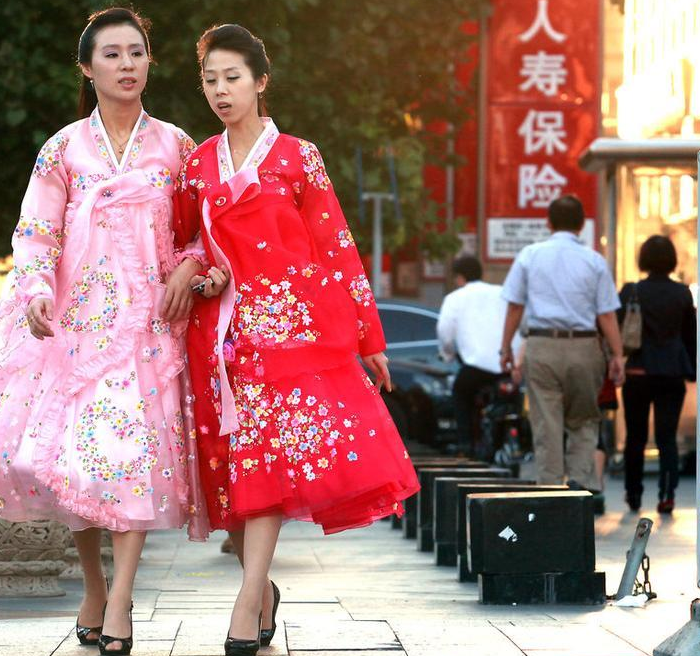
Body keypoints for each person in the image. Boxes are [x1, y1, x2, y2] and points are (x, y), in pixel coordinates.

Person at [0, 8, 211, 655]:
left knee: (132, 462)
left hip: (150, 328)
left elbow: (199, 226)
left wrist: (189, 265)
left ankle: (123, 600)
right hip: (77, 329)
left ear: (150, 62)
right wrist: (39, 290)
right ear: (87, 67)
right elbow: (37, 231)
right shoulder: (64, 149)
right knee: (79, 466)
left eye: (136, 53)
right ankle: (94, 588)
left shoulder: (176, 145)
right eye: (111, 55)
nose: (126, 65)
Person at [173, 24, 420, 656]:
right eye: (210, 81)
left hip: (293, 336)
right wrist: (203, 273)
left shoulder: (297, 157)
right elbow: (183, 247)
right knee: (244, 476)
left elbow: (336, 249)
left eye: (233, 78)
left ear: (260, 81)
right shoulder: (197, 165)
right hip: (222, 339)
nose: (221, 92)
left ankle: (247, 597)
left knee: (265, 472)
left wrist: (368, 337)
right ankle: (260, 592)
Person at [499, 195, 625, 490]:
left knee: (547, 423)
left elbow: (515, 307)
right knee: (584, 420)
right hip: (584, 348)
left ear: (548, 222)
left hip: (542, 346)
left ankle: (549, 491)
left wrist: (505, 348)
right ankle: (581, 488)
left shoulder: (530, 255)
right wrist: (617, 355)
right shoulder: (594, 260)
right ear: (581, 225)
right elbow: (606, 314)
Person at [618, 237, 696, 514]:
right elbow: (690, 336)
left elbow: (617, 329)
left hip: (638, 372)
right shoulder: (683, 293)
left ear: (644, 259)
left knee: (635, 438)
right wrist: (693, 371)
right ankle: (667, 495)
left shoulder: (631, 291)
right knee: (667, 437)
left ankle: (633, 494)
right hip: (671, 373)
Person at [437, 255, 520, 459]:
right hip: (506, 364)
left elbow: (445, 331)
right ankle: (514, 442)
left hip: (475, 367)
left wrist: (447, 354)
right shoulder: (501, 293)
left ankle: (464, 444)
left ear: (459, 277)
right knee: (511, 401)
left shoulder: (455, 298)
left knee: (460, 392)